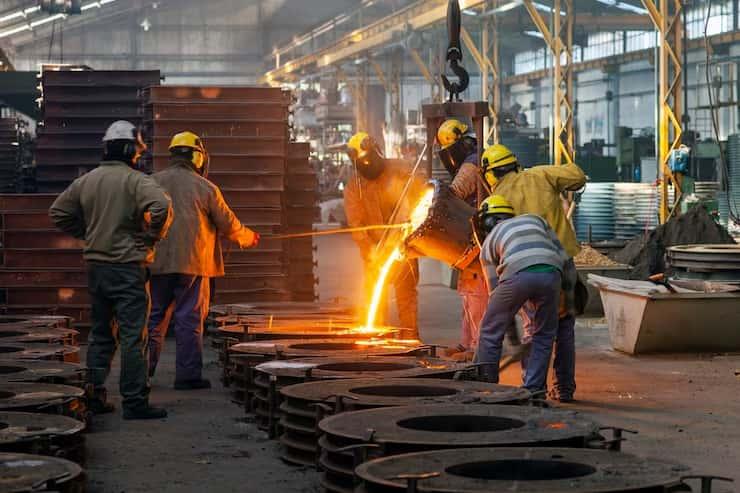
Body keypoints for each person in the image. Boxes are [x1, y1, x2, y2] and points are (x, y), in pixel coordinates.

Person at [49, 120, 173, 420]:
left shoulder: (87, 181)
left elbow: (58, 212)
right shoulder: (136, 181)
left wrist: (88, 233)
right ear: (132, 150)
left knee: (102, 334)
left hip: (97, 268)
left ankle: (93, 394)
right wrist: (149, 237)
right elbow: (162, 207)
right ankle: (134, 402)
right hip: (127, 268)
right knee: (133, 336)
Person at [147, 131, 259, 390]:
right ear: (198, 157)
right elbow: (228, 223)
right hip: (192, 265)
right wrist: (247, 237)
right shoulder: (205, 187)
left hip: (157, 263)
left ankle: (141, 373)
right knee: (188, 319)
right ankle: (187, 377)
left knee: (153, 317)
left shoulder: (151, 183)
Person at [481, 144, 586, 401]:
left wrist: (508, 328)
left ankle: (529, 389)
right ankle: (563, 389)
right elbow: (578, 176)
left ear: (490, 174)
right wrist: (570, 289)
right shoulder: (540, 175)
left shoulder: (499, 198)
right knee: (563, 329)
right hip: (559, 264)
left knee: (534, 329)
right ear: (515, 163)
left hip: (523, 269)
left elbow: (496, 284)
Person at [473, 195, 574, 392]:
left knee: (490, 332)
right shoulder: (535, 220)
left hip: (516, 274)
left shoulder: (488, 244)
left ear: (485, 224)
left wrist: (513, 339)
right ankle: (534, 391)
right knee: (543, 336)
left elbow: (497, 295)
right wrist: (567, 299)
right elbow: (566, 259)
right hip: (552, 274)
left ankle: (485, 388)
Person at [343, 131, 426, 337]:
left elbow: (422, 198)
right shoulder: (355, 187)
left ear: (378, 152)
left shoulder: (400, 170)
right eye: (362, 162)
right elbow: (356, 224)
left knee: (406, 295)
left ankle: (410, 338)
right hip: (374, 251)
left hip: (403, 246)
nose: (368, 165)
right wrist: (370, 250)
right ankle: (379, 339)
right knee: (376, 298)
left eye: (370, 159)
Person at [435, 119, 488, 358]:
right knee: (467, 292)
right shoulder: (472, 160)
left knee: (477, 294)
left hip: (482, 236)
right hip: (472, 236)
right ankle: (466, 343)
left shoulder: (472, 162)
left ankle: (478, 347)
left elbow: (456, 192)